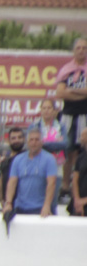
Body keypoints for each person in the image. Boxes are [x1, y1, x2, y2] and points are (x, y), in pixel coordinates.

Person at [55, 39, 87, 198]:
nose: (81, 50)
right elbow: (60, 93)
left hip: (85, 115)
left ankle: (80, 188)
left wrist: (71, 90)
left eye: (84, 48)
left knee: (82, 152)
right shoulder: (66, 70)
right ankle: (65, 187)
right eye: (78, 48)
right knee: (67, 151)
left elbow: (67, 92)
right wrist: (82, 92)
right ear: (73, 50)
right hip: (67, 115)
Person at [6, 129, 58, 217]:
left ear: (42, 142)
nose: (34, 143)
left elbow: (51, 184)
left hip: (40, 208)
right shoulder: (18, 159)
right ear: (27, 142)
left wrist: (46, 205)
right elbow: (12, 182)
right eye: (31, 140)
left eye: (37, 140)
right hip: (20, 207)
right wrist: (8, 203)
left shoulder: (49, 159)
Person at [28, 99, 69, 168]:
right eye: (44, 108)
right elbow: (29, 144)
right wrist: (55, 142)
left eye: (49, 108)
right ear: (41, 110)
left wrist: (43, 143)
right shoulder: (34, 126)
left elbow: (65, 144)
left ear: (54, 110)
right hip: (38, 161)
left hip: (57, 162)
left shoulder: (61, 126)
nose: (46, 110)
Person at [0, 127, 27, 211]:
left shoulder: (28, 158)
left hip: (22, 203)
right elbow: (1, 180)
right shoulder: (5, 160)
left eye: (19, 137)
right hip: (8, 204)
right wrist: (1, 199)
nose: (16, 140)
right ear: (8, 141)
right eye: (13, 138)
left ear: (24, 139)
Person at [72, 129, 87, 216]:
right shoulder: (80, 157)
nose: (81, 138)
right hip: (78, 203)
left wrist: (84, 201)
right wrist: (77, 199)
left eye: (83, 136)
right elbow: (75, 180)